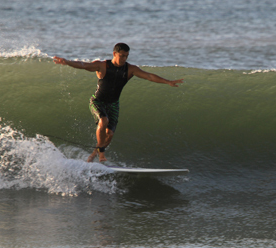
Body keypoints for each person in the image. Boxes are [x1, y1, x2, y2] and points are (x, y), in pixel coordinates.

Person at [53, 43, 183, 162]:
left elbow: (148, 76)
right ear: (114, 54)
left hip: (114, 104)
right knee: (103, 121)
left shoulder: (130, 69)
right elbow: (84, 65)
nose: (124, 59)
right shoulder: (102, 65)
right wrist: (67, 62)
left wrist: (167, 82)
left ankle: (93, 155)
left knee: (109, 135)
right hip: (98, 101)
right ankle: (102, 155)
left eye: (126, 56)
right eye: (122, 56)